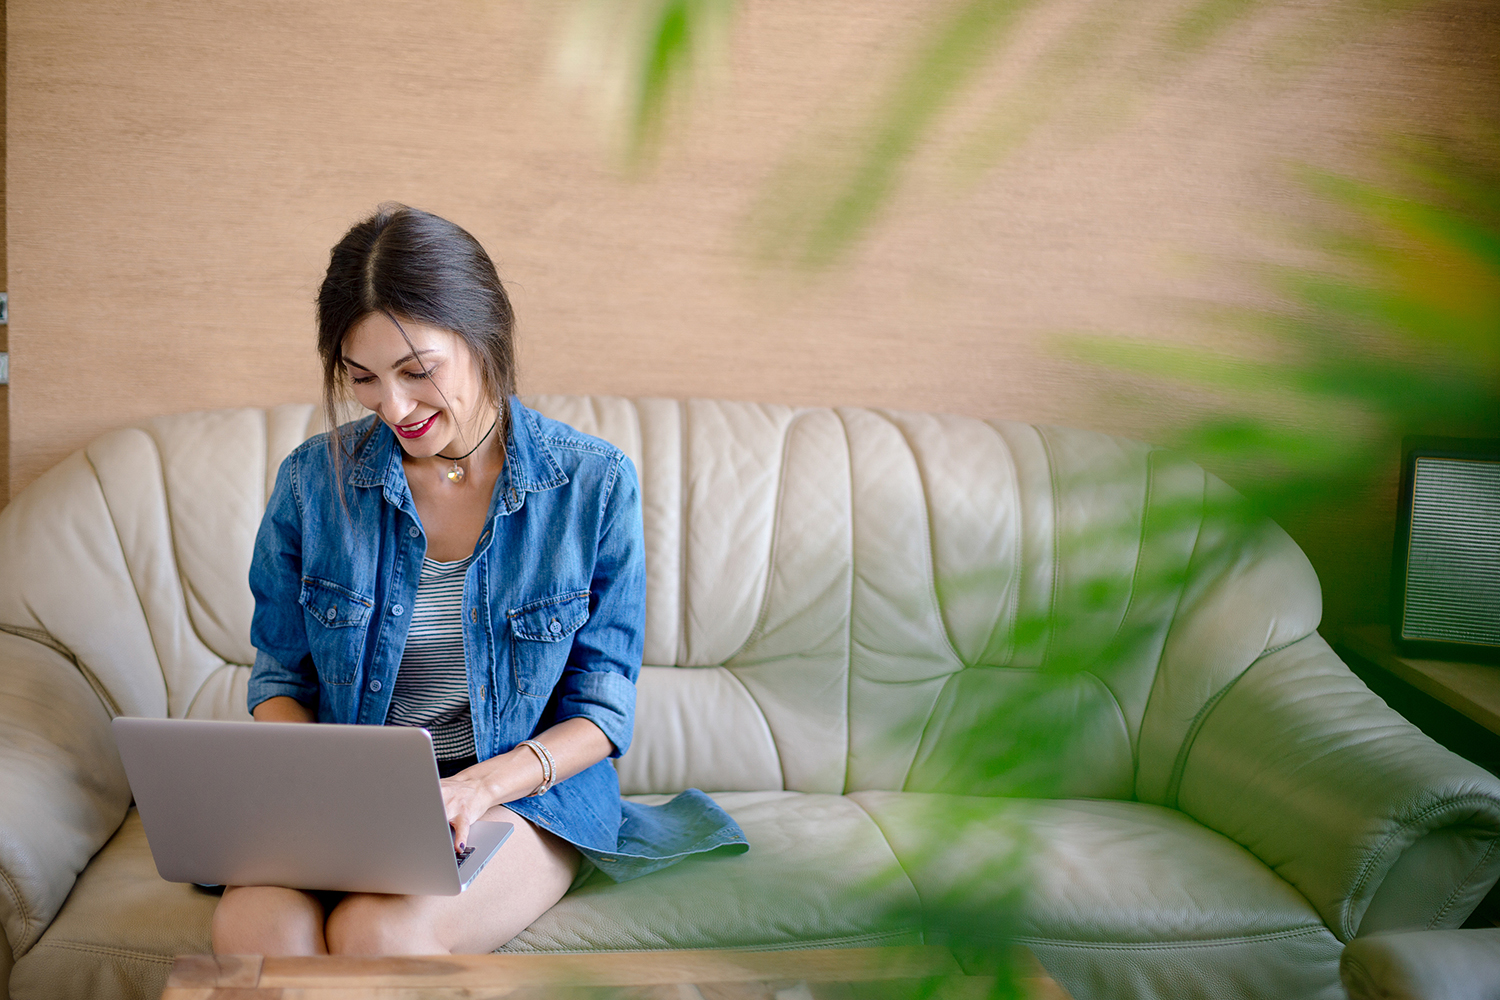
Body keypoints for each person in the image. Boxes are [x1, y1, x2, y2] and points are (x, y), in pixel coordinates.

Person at [213, 204, 745, 956]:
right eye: (362, 378)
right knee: (252, 933)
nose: (392, 407)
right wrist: (342, 791)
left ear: (482, 337)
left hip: (524, 795)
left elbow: (602, 710)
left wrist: (477, 788)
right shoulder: (311, 483)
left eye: (417, 371)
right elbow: (278, 682)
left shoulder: (591, 485)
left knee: (379, 932)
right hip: (350, 797)